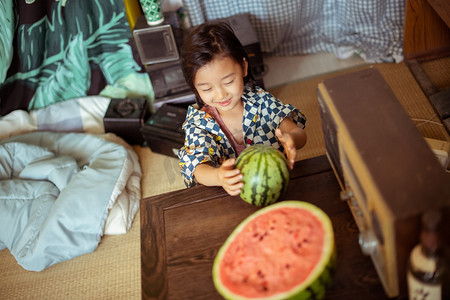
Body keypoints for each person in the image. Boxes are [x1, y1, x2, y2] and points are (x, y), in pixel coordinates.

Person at [178, 20, 307, 196]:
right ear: (194, 86)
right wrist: (218, 176)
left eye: (229, 81)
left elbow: (298, 133)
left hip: (274, 185)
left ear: (243, 68)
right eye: (207, 89)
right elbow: (196, 166)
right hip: (226, 196)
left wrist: (291, 139)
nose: (221, 95)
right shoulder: (199, 124)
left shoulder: (263, 102)